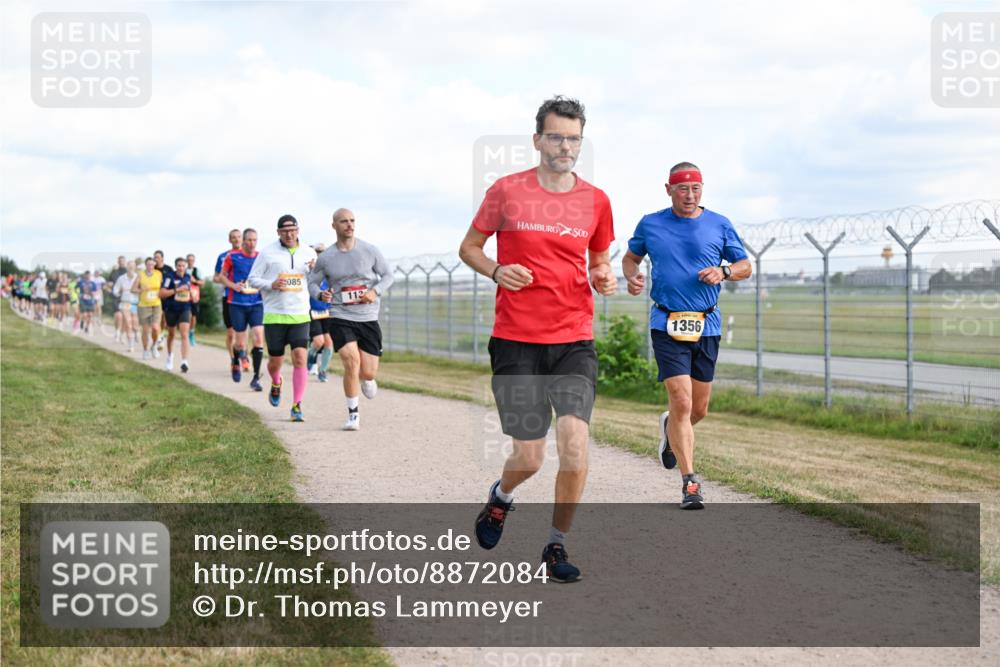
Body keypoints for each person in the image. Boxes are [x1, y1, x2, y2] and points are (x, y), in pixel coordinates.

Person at [458, 96, 616, 583]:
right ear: (537, 140)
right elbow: (469, 247)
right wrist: (496, 270)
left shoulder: (596, 200)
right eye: (556, 137)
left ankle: (556, 545)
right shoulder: (506, 191)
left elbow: (599, 261)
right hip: (516, 341)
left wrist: (604, 276)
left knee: (574, 444)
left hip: (573, 340)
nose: (565, 146)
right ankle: (501, 497)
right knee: (529, 456)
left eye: (574, 139)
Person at [622, 162, 752, 509]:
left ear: (702, 190)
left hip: (706, 323)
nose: (689, 195)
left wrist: (724, 271)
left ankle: (670, 430)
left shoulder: (719, 224)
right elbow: (631, 258)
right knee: (681, 401)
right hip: (666, 321)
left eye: (695, 188)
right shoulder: (651, 223)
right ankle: (690, 483)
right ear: (669, 190)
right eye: (682, 188)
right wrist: (632, 276)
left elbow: (745, 266)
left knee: (699, 409)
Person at [308, 210, 393, 430]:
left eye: (352, 221)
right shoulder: (326, 257)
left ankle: (368, 378)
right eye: (344, 221)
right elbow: (312, 283)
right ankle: (353, 415)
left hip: (368, 317)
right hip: (340, 315)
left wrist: (375, 291)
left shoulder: (370, 250)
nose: (349, 225)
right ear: (334, 226)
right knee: (351, 361)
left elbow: (388, 276)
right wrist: (320, 295)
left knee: (368, 371)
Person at [247, 215, 317, 422]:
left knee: (300, 358)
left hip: (300, 314)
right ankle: (276, 381)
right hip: (275, 315)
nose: (289, 234)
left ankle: (296, 405)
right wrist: (271, 285)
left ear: (298, 230)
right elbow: (252, 279)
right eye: (284, 231)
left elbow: (315, 280)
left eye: (292, 230)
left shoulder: (309, 253)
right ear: (278, 232)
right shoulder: (267, 253)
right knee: (275, 362)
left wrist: (315, 271)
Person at [218, 229, 266, 391]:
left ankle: (256, 378)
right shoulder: (232, 257)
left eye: (255, 240)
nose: (252, 243)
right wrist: (233, 286)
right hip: (237, 303)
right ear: (243, 241)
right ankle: (235, 361)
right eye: (249, 240)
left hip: (256, 303)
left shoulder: (261, 257)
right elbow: (221, 276)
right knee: (239, 343)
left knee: (258, 336)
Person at [214, 229, 243, 370]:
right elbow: (215, 277)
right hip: (229, 297)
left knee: (242, 332)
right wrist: (227, 281)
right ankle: (233, 359)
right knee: (231, 333)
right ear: (229, 240)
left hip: (245, 297)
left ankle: (244, 356)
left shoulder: (249, 255)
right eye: (234, 237)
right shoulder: (223, 257)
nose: (236, 239)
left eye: (238, 237)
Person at [159, 257, 194, 372]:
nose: (181, 268)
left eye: (183, 266)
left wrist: (192, 295)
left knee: (184, 334)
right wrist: (177, 290)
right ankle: (170, 357)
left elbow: (189, 290)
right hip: (171, 309)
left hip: (185, 308)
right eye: (179, 265)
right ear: (176, 266)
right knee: (171, 334)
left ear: (185, 266)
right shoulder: (169, 277)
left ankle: (184, 361)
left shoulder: (188, 277)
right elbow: (162, 293)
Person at [306, 243, 334, 383]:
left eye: (322, 252)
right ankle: (310, 358)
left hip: (327, 311)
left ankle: (322, 371)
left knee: (328, 343)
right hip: (313, 310)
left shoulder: (330, 270)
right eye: (318, 252)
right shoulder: (309, 270)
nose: (320, 254)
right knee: (318, 341)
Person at [134, 257, 163, 359]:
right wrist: (141, 289)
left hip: (156, 304)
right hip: (143, 306)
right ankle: (145, 350)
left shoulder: (158, 274)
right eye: (148, 264)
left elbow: (162, 287)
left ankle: (154, 346)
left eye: (152, 264)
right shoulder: (140, 275)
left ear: (154, 265)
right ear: (145, 265)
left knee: (155, 327)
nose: (150, 266)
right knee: (145, 330)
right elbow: (133, 289)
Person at [113, 260, 140, 352]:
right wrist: (119, 292)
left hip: (135, 303)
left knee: (135, 323)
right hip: (125, 303)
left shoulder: (138, 277)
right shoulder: (121, 278)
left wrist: (138, 291)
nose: (131, 268)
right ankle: (131, 345)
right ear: (127, 267)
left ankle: (136, 331)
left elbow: (143, 289)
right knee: (128, 324)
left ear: (135, 267)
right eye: (129, 266)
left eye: (133, 266)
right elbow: (115, 291)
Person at [186, 253, 204, 347]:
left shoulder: (197, 271)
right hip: (184, 296)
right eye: (188, 260)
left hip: (194, 296)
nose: (190, 262)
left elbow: (202, 283)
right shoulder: (183, 270)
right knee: (187, 315)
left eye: (192, 260)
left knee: (194, 316)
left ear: (194, 261)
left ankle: (191, 333)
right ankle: (185, 333)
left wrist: (195, 281)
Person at [108, 256, 128, 342]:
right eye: (120, 261)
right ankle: (117, 332)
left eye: (123, 261)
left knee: (125, 317)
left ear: (125, 262)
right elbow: (109, 284)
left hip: (126, 297)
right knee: (118, 316)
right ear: (118, 262)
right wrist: (110, 291)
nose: (121, 262)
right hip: (116, 297)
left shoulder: (128, 272)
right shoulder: (114, 272)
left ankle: (122, 335)